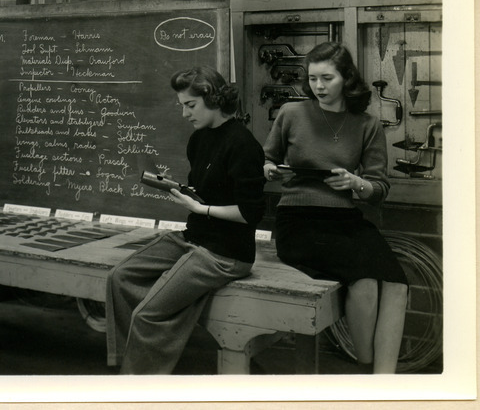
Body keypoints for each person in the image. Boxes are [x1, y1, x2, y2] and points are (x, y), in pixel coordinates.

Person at [106, 67, 266, 374]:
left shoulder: (244, 145)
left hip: (226, 253)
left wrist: (199, 208)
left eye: (189, 105)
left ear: (214, 100)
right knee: (120, 277)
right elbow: (209, 192)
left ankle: (137, 387)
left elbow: (250, 214)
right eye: (182, 105)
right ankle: (133, 365)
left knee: (147, 315)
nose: (184, 113)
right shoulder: (198, 140)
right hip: (195, 238)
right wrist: (185, 193)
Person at [262, 41, 408, 374]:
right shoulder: (290, 113)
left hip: (345, 219)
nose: (318, 87)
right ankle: (366, 367)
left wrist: (355, 183)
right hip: (298, 220)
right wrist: (268, 168)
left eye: (327, 78)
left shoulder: (368, 124)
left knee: (397, 284)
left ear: (346, 78)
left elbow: (378, 188)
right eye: (313, 79)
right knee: (366, 281)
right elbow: (267, 158)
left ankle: (383, 383)